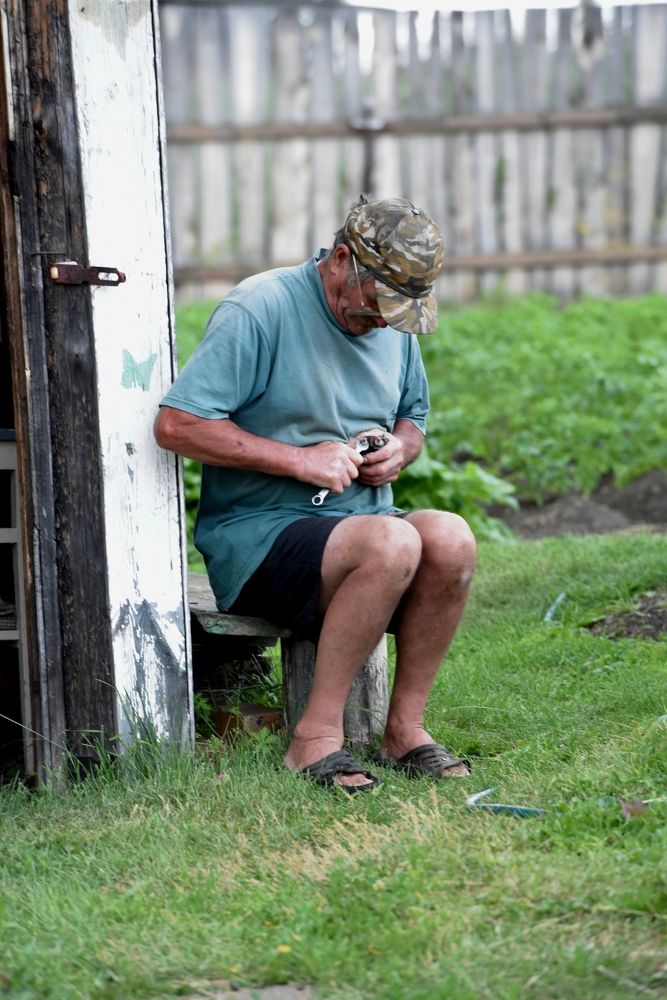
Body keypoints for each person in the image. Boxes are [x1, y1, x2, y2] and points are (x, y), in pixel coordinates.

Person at [154, 195, 476, 793]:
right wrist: (301, 460)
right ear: (343, 260)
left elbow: (414, 418)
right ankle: (314, 740)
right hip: (261, 534)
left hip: (362, 527)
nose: (385, 322)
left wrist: (399, 451)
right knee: (391, 542)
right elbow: (177, 425)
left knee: (451, 538)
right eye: (379, 306)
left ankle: (404, 730)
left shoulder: (391, 324)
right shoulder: (260, 308)